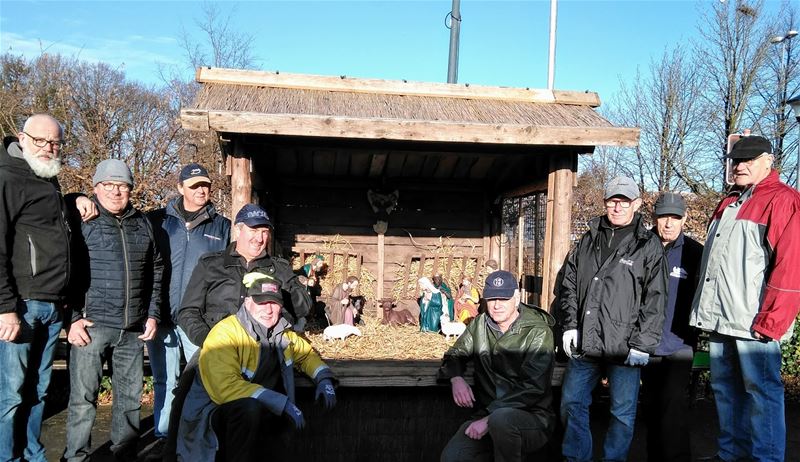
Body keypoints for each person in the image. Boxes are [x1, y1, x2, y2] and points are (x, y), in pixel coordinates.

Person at [690, 135, 800, 462]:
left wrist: (773, 320)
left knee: (762, 394)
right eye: (736, 160)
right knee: (726, 393)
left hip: (755, 323)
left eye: (748, 160)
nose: (739, 166)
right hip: (722, 320)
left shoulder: (783, 200)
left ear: (768, 161)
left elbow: (791, 267)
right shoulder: (730, 202)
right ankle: (731, 455)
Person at [0, 114, 96, 462]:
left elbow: (44, 225)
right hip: (20, 307)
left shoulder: (45, 178)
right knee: (9, 395)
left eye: (55, 142)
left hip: (52, 306)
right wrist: (5, 307)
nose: (48, 147)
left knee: (37, 392)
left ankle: (32, 454)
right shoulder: (7, 177)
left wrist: (76, 197)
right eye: (41, 140)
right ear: (22, 139)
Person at [558, 176, 668, 462]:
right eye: (612, 201)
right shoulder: (588, 239)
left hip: (624, 345)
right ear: (605, 202)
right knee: (572, 403)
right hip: (586, 340)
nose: (617, 207)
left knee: (622, 413)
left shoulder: (647, 245)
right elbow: (569, 284)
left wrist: (643, 343)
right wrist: (571, 325)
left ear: (637, 204)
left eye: (624, 201)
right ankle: (577, 457)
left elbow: (655, 298)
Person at [63, 159, 163, 462]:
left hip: (132, 329)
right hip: (91, 327)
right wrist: (73, 319)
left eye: (123, 185)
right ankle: (75, 457)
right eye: (109, 185)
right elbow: (64, 269)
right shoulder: (83, 219)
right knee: (82, 401)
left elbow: (156, 269)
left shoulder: (142, 223)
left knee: (130, 400)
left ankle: (124, 455)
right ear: (96, 188)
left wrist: (152, 313)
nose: (116, 191)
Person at [177, 271, 337, 461]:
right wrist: (282, 403)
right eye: (262, 302)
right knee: (249, 409)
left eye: (274, 303)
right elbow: (224, 387)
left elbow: (306, 355)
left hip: (259, 411)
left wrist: (323, 378)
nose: (268, 310)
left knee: (266, 420)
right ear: (247, 302)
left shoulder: (281, 333)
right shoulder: (225, 334)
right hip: (212, 416)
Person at [146, 163, 230, 447]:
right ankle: (164, 436)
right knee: (164, 380)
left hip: (199, 319)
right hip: (162, 315)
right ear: (180, 188)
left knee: (203, 378)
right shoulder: (156, 222)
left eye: (205, 185)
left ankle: (197, 435)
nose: (200, 190)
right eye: (194, 186)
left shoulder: (223, 227)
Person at [438, 270, 555, 462]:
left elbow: (533, 387)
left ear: (516, 298)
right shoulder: (480, 324)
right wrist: (455, 377)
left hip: (531, 417)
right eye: (492, 299)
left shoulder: (538, 332)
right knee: (453, 456)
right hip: (487, 416)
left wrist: (489, 418)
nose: (497, 305)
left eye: (504, 298)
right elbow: (456, 353)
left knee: (501, 422)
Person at [178, 203, 311, 345]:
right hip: (220, 351)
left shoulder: (279, 268)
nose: (260, 239)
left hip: (267, 353)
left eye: (264, 232)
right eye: (253, 230)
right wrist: (209, 341)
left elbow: (305, 308)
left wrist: (277, 288)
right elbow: (188, 311)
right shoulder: (210, 264)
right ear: (238, 231)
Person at [641, 192, 703, 462]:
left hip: (680, 344)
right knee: (651, 406)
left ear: (684, 218)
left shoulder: (695, 253)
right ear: (654, 218)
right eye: (663, 216)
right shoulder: (640, 247)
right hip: (646, 343)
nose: (668, 223)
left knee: (673, 406)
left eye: (675, 217)